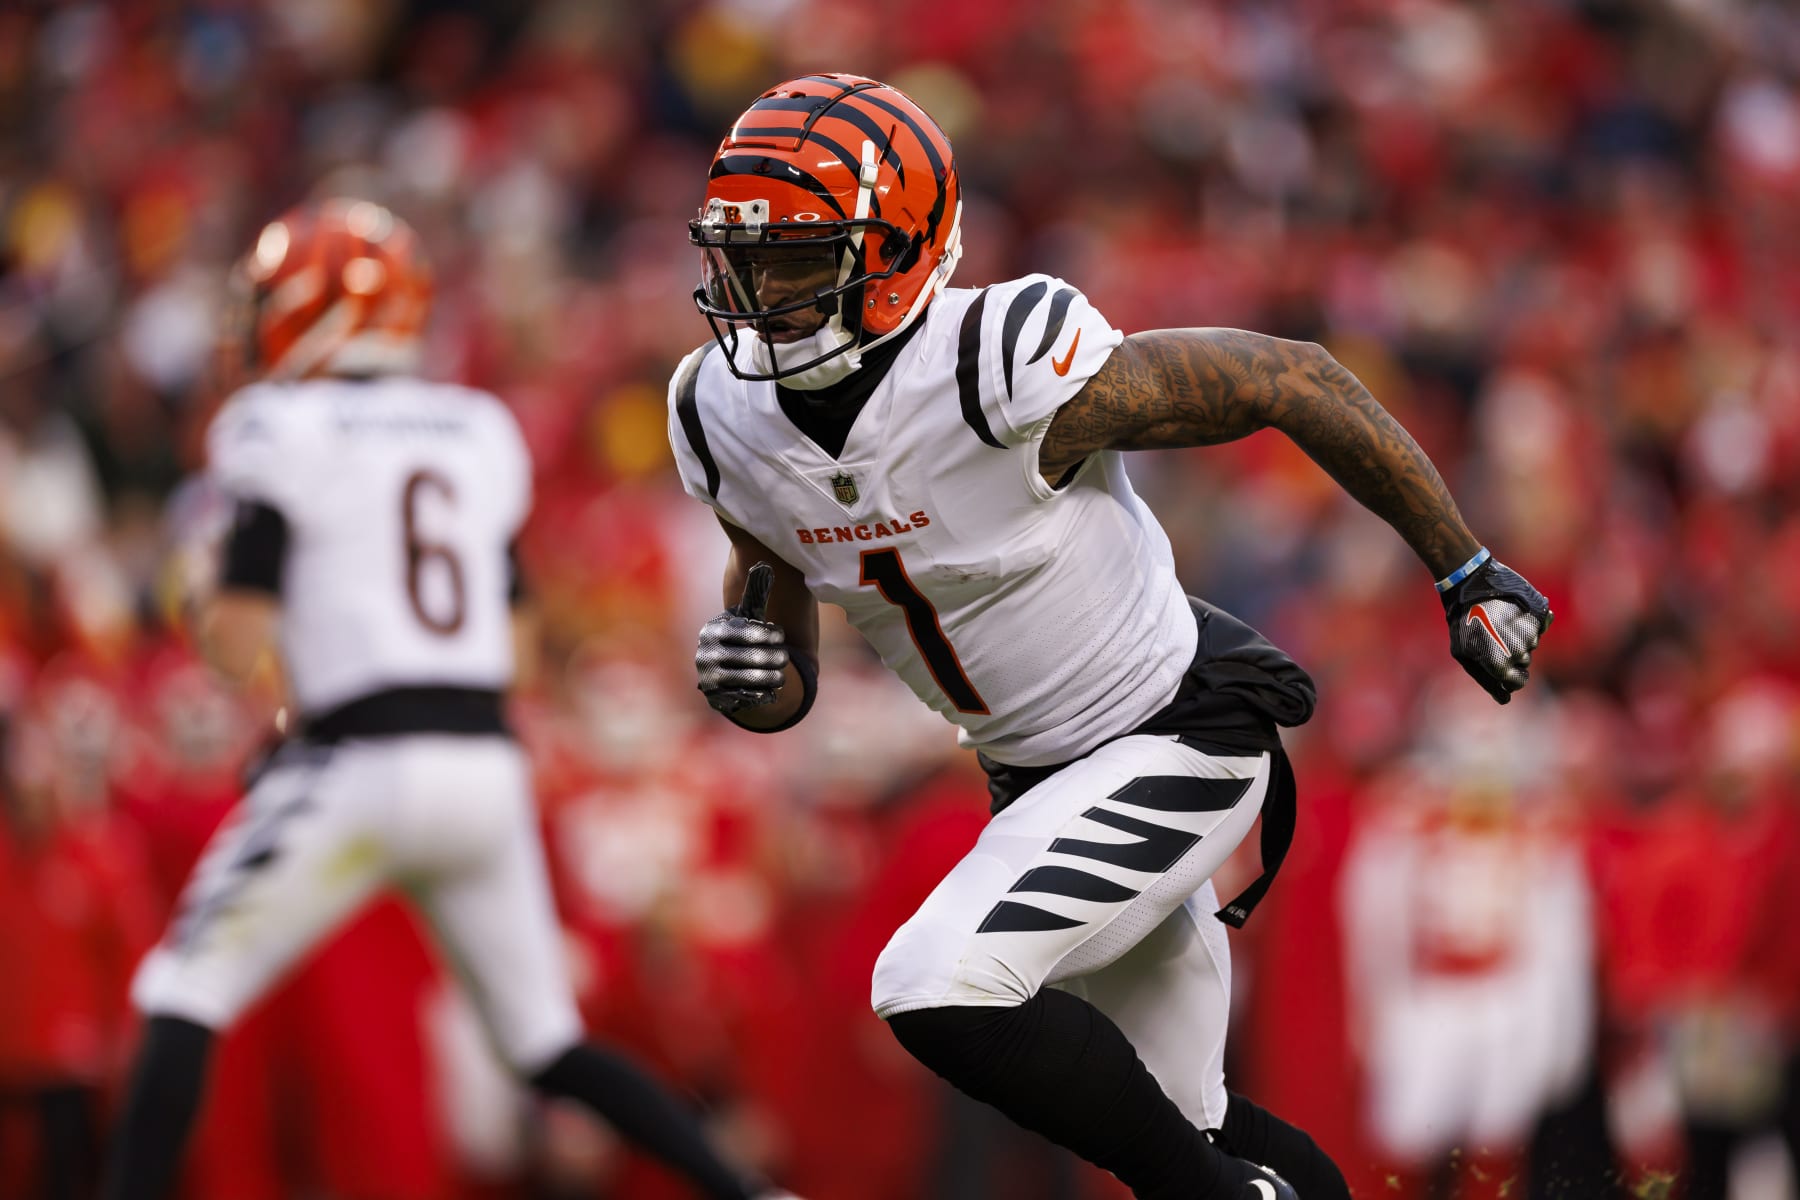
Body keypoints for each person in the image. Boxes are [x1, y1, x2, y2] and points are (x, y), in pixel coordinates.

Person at [666, 74, 1553, 1200]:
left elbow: (1293, 376)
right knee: (1200, 1128)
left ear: (896, 251)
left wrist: (1463, 569)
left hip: (1177, 735)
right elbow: (781, 655)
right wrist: (752, 673)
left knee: (937, 982)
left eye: (796, 261)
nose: (758, 295)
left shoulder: (995, 364)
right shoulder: (719, 416)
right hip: (1034, 780)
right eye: (742, 261)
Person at [103, 199, 790, 1200]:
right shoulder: (475, 426)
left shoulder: (274, 426)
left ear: (313, 308)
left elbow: (235, 640)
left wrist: (213, 585)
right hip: (482, 767)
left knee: (182, 990)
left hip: (362, 760)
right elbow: (511, 645)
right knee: (547, 1043)